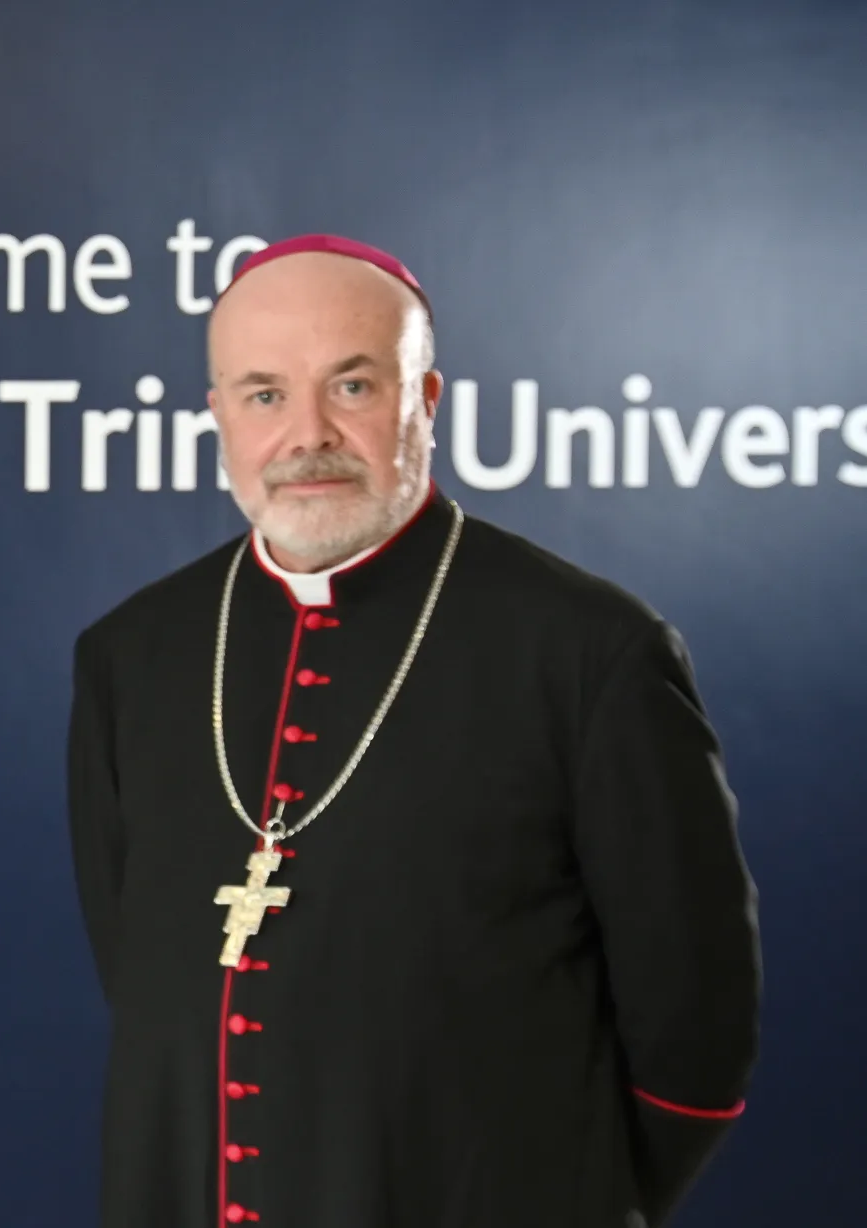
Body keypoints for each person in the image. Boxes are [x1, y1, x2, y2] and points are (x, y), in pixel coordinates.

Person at [66, 236, 762, 1227]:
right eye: (262, 394)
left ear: (424, 400)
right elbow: (140, 976)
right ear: (217, 416)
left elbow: (693, 1042)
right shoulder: (131, 654)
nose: (307, 434)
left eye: (351, 386)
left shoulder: (589, 650)